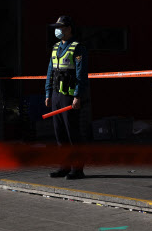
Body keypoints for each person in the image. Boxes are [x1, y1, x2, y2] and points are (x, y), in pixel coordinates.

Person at [45, 16, 89, 180]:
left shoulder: (78, 48)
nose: (57, 30)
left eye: (60, 27)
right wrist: (48, 93)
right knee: (60, 134)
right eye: (56, 27)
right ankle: (64, 167)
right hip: (56, 95)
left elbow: (81, 75)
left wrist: (77, 96)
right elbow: (50, 71)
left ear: (69, 29)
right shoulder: (56, 47)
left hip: (69, 97)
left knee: (72, 134)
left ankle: (77, 169)